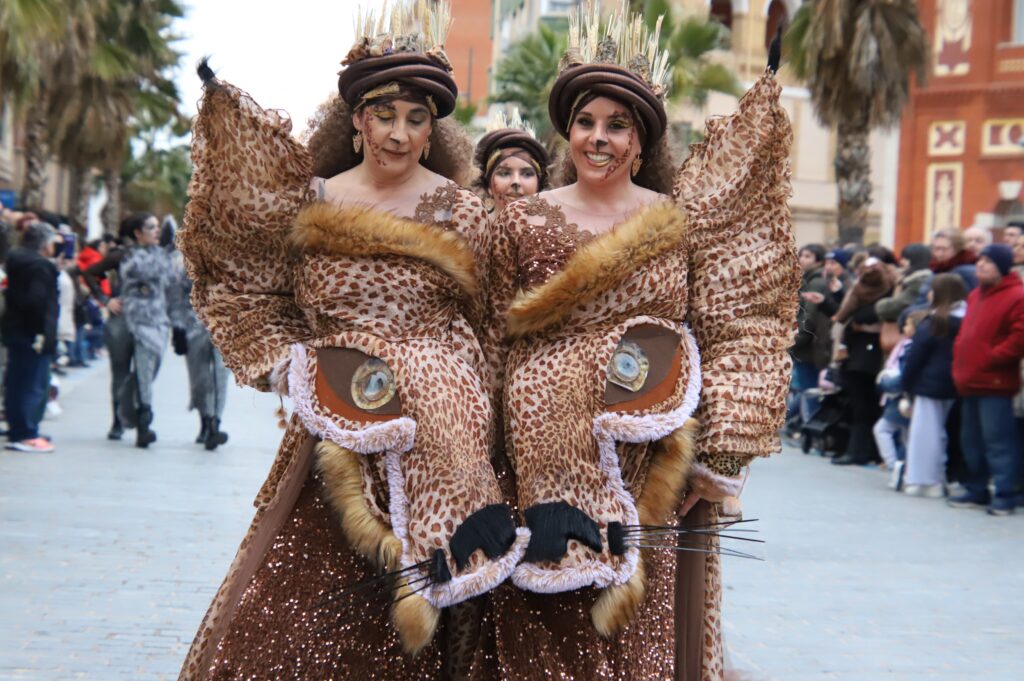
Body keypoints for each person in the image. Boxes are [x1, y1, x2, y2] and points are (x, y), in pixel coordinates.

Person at [176, 3, 521, 677]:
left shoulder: (467, 212)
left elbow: (496, 326)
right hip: (335, 428)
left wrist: (476, 411)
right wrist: (289, 367)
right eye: (383, 114)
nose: (398, 133)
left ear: (432, 129)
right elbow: (252, 296)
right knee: (294, 611)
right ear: (355, 121)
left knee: (426, 613)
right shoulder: (311, 201)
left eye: (415, 117)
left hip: (441, 438)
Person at [481, 2, 798, 677]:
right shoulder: (522, 221)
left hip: (650, 463)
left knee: (641, 627)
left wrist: (721, 457)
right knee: (541, 620)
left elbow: (728, 331)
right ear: (566, 131)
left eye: (617, 126)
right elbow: (488, 340)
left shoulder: (681, 223)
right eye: (586, 123)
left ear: (642, 140)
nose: (599, 139)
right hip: (536, 457)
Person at [83, 213, 176, 447]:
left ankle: (137, 416)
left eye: (158, 227)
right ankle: (122, 423)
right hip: (122, 320)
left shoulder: (164, 255)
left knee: (147, 371)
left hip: (152, 321)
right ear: (137, 232)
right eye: (151, 227)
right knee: (120, 371)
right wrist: (106, 300)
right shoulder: (121, 255)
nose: (157, 231)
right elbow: (89, 273)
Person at [950, 243, 1024, 515]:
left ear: (1003, 268)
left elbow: (1019, 338)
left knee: (998, 442)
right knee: (971, 441)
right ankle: (976, 489)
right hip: (969, 380)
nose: (981, 266)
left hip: (995, 383)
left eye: (989, 262)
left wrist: (990, 358)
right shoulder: (975, 296)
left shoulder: (1017, 296)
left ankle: (1004, 494)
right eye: (980, 261)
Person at [165, 218, 230, 451]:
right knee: (200, 379)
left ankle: (215, 424)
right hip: (193, 327)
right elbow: (175, 299)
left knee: (220, 378)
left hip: (223, 329)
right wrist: (178, 328)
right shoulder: (182, 264)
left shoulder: (232, 262)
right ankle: (205, 420)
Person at [900, 274, 967, 497]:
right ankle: (945, 476)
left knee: (925, 433)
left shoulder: (934, 322)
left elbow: (915, 357)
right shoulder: (966, 319)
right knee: (949, 432)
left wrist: (905, 384)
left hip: (930, 384)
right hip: (958, 383)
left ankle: (924, 479)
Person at [2, 222, 59, 452]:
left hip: (14, 329)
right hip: (33, 334)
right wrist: (42, 333)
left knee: (16, 381)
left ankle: (19, 428)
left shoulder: (16, 260)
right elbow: (37, 302)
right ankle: (25, 433)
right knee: (32, 383)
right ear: (45, 244)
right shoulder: (40, 266)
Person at [831, 257, 894, 465]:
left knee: (863, 405)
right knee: (862, 404)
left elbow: (857, 316)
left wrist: (857, 320)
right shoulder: (868, 291)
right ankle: (861, 450)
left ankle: (858, 451)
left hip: (866, 355)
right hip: (859, 352)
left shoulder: (881, 294)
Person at [873, 310, 924, 489]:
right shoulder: (907, 345)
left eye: (909, 324)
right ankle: (901, 468)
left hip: (902, 396)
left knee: (885, 429)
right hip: (903, 396)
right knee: (906, 436)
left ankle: (895, 466)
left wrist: (887, 382)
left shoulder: (909, 347)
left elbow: (904, 374)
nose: (904, 327)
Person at [471, 107, 549, 217]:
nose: (516, 182)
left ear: (539, 185)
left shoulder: (555, 232)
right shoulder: (469, 231)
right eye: (504, 173)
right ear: (487, 185)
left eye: (527, 174)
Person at [790, 244, 831, 430]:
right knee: (805, 387)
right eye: (801, 255)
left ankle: (810, 427)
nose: (802, 259)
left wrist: (796, 340)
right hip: (805, 344)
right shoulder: (807, 278)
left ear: (818, 260)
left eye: (808, 256)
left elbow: (808, 316)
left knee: (810, 389)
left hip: (809, 347)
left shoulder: (816, 282)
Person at [876, 243, 932, 323]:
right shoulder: (910, 277)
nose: (901, 262)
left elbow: (891, 308)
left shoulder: (918, 281)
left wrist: (899, 284)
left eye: (905, 259)